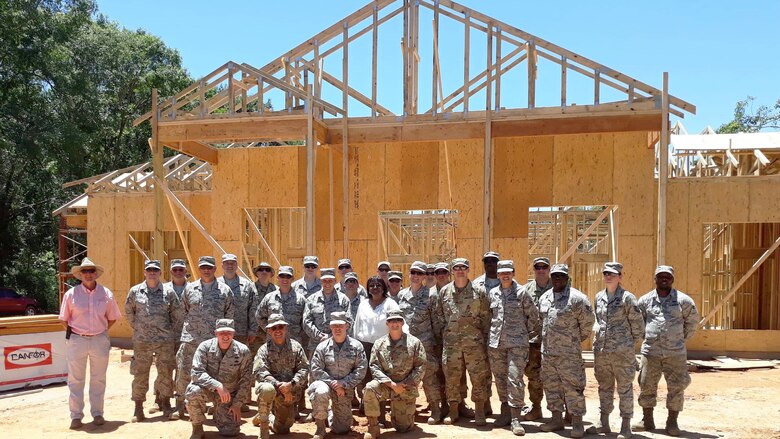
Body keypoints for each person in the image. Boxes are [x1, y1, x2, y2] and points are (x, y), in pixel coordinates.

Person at [634, 265, 699, 437]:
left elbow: (692, 323)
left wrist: (678, 340)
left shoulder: (683, 301)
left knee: (676, 387)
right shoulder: (645, 300)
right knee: (646, 384)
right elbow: (639, 323)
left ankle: (672, 422)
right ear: (654, 278)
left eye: (667, 277)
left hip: (675, 353)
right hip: (651, 352)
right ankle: (647, 420)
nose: (664, 279)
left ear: (672, 279)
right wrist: (648, 337)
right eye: (660, 276)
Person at [59, 257, 122, 430]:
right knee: (75, 379)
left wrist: (99, 331)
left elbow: (112, 318)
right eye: (85, 271)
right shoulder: (70, 295)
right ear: (80, 274)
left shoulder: (106, 294)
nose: (88, 274)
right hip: (77, 340)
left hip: (99, 339)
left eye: (91, 271)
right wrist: (79, 332)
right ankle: (76, 416)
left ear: (96, 274)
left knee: (98, 378)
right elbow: (64, 319)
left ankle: (97, 413)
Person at [588, 262, 644, 439]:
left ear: (620, 277)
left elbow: (638, 326)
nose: (608, 276)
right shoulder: (599, 297)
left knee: (625, 388)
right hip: (602, 352)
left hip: (622, 353)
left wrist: (628, 346)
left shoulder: (628, 298)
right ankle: (603, 422)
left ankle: (626, 425)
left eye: (612, 274)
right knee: (604, 387)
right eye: (606, 273)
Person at [538, 264, 595, 438]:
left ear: (567, 278)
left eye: (561, 276)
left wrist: (572, 341)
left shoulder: (577, 298)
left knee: (573, 388)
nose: (557, 279)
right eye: (554, 276)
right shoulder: (545, 297)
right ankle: (556, 420)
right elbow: (542, 321)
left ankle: (577, 423)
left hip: (569, 355)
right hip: (548, 354)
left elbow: (587, 324)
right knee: (551, 387)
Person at [176, 255, 234, 419]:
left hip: (213, 343)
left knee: (214, 374)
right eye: (203, 267)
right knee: (185, 372)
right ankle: (181, 405)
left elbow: (228, 317)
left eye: (209, 267)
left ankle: (217, 407)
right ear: (199, 269)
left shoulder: (224, 291)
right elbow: (184, 310)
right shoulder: (190, 289)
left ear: (215, 269)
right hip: (191, 339)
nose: (206, 270)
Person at [435, 257, 490, 426]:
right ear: (452, 271)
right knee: (452, 378)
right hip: (452, 344)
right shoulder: (444, 292)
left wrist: (482, 338)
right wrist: (447, 335)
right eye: (456, 267)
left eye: (463, 267)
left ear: (468, 270)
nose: (460, 270)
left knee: (478, 377)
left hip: (474, 344)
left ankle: (480, 411)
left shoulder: (479, 291)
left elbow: (485, 317)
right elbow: (439, 317)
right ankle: (453, 411)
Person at [125, 259, 183, 422]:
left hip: (164, 340)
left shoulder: (168, 292)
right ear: (145, 272)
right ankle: (138, 407)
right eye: (149, 270)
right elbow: (129, 312)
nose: (152, 272)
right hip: (142, 340)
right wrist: (138, 327)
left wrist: (168, 331)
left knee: (165, 372)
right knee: (140, 373)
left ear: (159, 273)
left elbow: (177, 314)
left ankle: (165, 403)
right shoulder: (135, 291)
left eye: (155, 270)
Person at [487, 260, 540, 435]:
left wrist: (522, 333)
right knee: (500, 379)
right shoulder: (493, 293)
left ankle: (516, 417)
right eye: (502, 272)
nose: (505, 275)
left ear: (514, 273)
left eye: (508, 272)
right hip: (497, 345)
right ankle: (505, 413)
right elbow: (490, 317)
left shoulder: (522, 293)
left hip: (517, 344)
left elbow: (533, 317)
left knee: (514, 378)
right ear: (498, 274)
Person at [256, 265, 309, 419]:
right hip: (273, 344)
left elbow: (305, 322)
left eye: (288, 277)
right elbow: (259, 316)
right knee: (274, 373)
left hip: (294, 344)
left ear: (292, 279)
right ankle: (271, 406)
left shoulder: (300, 299)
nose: (285, 279)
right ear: (277, 278)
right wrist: (270, 331)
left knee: (296, 373)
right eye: (282, 276)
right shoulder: (269, 297)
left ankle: (297, 405)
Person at [363, 309, 426, 439]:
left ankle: (400, 415)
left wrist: (404, 384)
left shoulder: (414, 343)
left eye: (398, 320)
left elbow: (420, 366)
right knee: (370, 388)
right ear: (387, 323)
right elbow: (374, 366)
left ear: (402, 322)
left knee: (403, 429)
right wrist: (391, 384)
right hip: (387, 385)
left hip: (405, 387)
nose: (394, 323)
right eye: (391, 321)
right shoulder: (379, 344)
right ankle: (373, 426)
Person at [185, 319, 253, 439]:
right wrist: (217, 385)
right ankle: (197, 427)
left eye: (229, 332)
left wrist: (237, 404)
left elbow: (246, 380)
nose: (225, 336)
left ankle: (219, 413)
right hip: (207, 391)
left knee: (230, 432)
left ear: (234, 333)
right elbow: (196, 373)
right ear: (215, 333)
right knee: (192, 391)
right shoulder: (204, 347)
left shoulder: (243, 351)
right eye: (222, 333)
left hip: (228, 396)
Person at [397, 261, 444, 424]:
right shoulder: (402, 295)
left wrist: (438, 344)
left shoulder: (431, 295)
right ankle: (408, 410)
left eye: (419, 273)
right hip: (406, 344)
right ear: (409, 274)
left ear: (424, 276)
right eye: (413, 272)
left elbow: (437, 321)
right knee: (407, 376)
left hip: (426, 343)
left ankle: (435, 410)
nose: (416, 276)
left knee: (429, 378)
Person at [308, 311, 367, 439]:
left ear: (347, 325)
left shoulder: (356, 346)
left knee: (341, 430)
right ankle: (320, 428)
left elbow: (361, 370)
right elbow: (316, 369)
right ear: (330, 327)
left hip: (345, 389)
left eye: (340, 325)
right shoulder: (322, 347)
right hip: (326, 385)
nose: (337, 329)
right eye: (334, 326)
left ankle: (330, 414)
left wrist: (344, 383)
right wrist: (334, 384)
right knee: (320, 391)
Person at [253, 314, 309, 439]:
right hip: (273, 390)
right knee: (266, 389)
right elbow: (259, 371)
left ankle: (270, 417)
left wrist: (291, 385)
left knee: (283, 429)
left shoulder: (296, 347)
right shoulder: (263, 350)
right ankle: (263, 424)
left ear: (286, 328)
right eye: (274, 328)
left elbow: (304, 369)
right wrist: (278, 385)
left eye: (280, 327)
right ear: (268, 330)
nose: (277, 330)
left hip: (290, 392)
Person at [352, 276, 401, 414]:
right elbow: (357, 325)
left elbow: (398, 324)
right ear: (368, 289)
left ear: (384, 287)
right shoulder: (363, 304)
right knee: (366, 377)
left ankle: (381, 409)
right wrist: (356, 345)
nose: (375, 288)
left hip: (384, 347)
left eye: (378, 285)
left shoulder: (390, 304)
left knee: (382, 378)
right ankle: (368, 406)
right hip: (365, 346)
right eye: (371, 285)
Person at [152, 258, 189, 417]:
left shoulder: (194, 288)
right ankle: (159, 398)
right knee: (164, 368)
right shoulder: (163, 289)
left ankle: (182, 401)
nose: (178, 272)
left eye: (181, 269)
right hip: (166, 336)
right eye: (175, 269)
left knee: (183, 369)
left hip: (186, 336)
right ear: (170, 271)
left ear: (185, 270)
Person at [522, 256, 552, 421]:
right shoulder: (525, 291)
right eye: (537, 267)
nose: (541, 270)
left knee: (557, 375)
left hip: (554, 342)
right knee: (534, 376)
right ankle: (536, 407)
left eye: (544, 267)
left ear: (549, 269)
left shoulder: (559, 287)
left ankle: (565, 410)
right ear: (533, 270)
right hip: (533, 341)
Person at [473, 251, 500, 417]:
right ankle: (486, 403)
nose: (490, 264)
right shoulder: (476, 284)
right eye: (487, 261)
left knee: (501, 371)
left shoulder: (506, 281)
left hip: (501, 335)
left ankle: (507, 408)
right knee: (483, 372)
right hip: (481, 334)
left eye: (493, 261)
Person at [303, 267, 351, 359]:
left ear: (335, 281)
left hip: (338, 345)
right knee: (315, 372)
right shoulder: (311, 300)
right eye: (325, 280)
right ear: (321, 281)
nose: (327, 283)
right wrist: (319, 336)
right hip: (316, 345)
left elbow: (349, 322)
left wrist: (331, 336)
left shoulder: (343, 300)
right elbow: (306, 322)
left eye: (330, 280)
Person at [253, 262, 278, 343]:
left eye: (267, 270)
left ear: (271, 274)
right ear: (257, 273)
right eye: (261, 269)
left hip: (273, 332)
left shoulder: (276, 290)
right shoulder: (250, 289)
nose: (264, 272)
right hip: (254, 333)